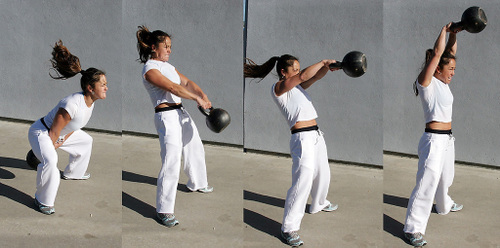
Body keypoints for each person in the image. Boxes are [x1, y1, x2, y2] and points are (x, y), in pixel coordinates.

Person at [244, 55, 339, 246]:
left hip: (316, 135)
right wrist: (321, 61)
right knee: (303, 180)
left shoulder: (297, 88)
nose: (298, 72)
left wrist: (327, 68)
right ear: (283, 72)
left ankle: (319, 203)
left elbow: (314, 77)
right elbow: (304, 76)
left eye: (298, 69)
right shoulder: (279, 89)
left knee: (323, 173)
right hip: (301, 138)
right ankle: (288, 228)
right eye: (294, 69)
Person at [136, 25, 213, 228]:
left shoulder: (169, 67)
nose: (169, 50)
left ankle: (198, 183)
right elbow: (173, 87)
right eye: (166, 46)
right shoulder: (150, 69)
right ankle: (164, 210)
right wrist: (197, 99)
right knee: (171, 160)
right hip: (166, 116)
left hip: (180, 113)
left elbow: (186, 82)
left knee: (194, 145)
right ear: (154, 47)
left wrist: (202, 94)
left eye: (171, 46)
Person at [28, 40, 108, 215]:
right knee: (50, 161)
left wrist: (62, 140)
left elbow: (73, 126)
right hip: (41, 132)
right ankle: (42, 200)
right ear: (90, 88)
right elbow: (54, 131)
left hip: (58, 133)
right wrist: (52, 147)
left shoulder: (90, 102)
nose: (106, 88)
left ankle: (74, 172)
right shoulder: (71, 104)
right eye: (102, 85)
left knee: (86, 140)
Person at [404, 22, 463, 246]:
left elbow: (449, 52)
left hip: (447, 139)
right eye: (450, 70)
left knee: (446, 177)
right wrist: (443, 30)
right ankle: (412, 229)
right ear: (437, 68)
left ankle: (443, 204)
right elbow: (439, 53)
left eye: (454, 70)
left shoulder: (444, 82)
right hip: (433, 140)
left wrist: (455, 34)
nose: (453, 74)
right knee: (426, 183)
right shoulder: (426, 83)